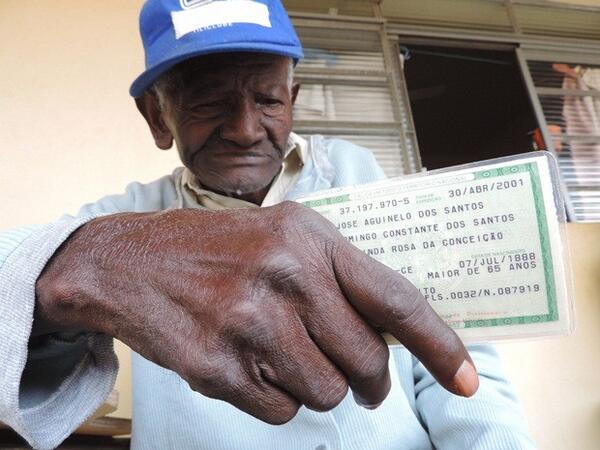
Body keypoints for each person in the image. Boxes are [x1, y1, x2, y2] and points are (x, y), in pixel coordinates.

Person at [0, 1, 534, 449]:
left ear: (292, 100)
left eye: (267, 99)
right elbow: (17, 276)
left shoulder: (358, 173)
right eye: (209, 102)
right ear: (158, 117)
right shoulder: (124, 220)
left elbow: (456, 356)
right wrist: (91, 261)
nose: (245, 129)